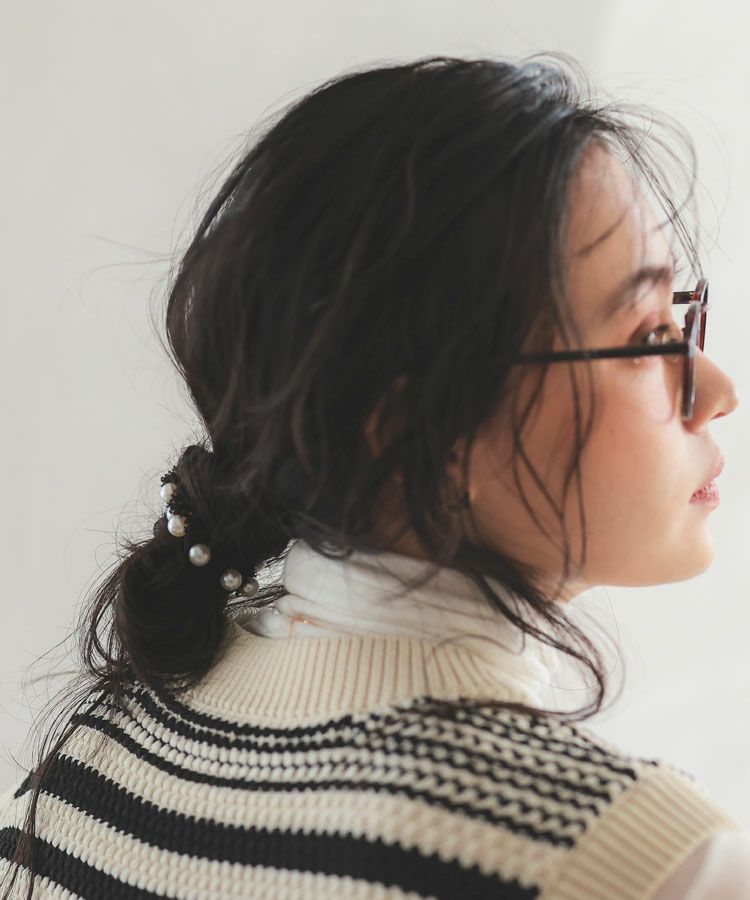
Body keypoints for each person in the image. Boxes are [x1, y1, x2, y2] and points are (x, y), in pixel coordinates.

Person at [0, 52, 745, 899]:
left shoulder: (96, 754)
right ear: (415, 426)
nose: (718, 390)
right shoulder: (640, 866)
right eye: (646, 337)